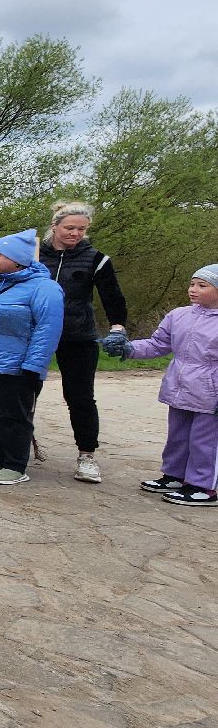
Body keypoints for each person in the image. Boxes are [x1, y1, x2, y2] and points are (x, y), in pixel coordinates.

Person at [100, 265, 217, 506]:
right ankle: (175, 475)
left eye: (202, 286)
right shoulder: (179, 315)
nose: (193, 290)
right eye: (192, 284)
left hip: (211, 392)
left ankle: (204, 486)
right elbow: (158, 344)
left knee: (205, 441)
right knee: (178, 435)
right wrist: (128, 348)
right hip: (180, 386)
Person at [0, 229, 64, 486]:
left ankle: (16, 464)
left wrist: (34, 366)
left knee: (14, 416)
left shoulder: (45, 288)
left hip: (16, 366)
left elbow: (47, 330)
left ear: (17, 259)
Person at [39, 201, 129, 484]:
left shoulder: (96, 259)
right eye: (69, 228)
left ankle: (87, 456)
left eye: (81, 229)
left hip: (78, 335)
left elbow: (112, 296)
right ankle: (13, 451)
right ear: (54, 226)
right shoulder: (33, 254)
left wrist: (118, 327)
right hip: (37, 333)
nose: (75, 233)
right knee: (21, 392)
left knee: (79, 398)